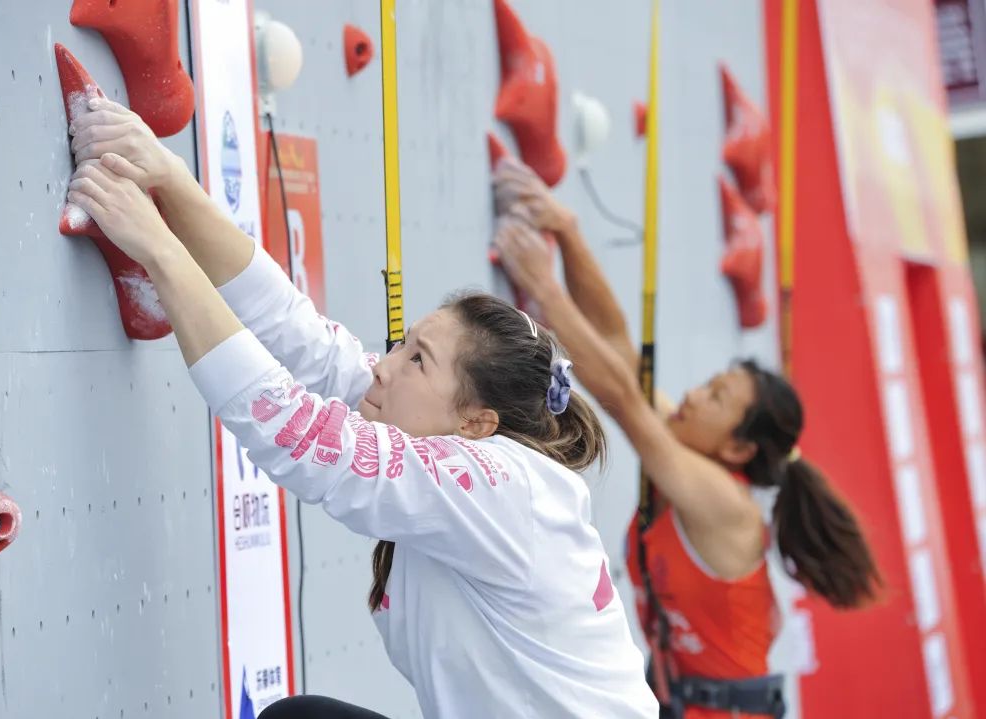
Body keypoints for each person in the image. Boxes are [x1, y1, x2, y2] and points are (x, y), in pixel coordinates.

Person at [64, 98, 658, 719]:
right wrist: (169, 178)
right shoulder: (431, 423)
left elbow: (296, 434)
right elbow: (302, 339)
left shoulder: (497, 486)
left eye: (418, 360)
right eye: (403, 346)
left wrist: (160, 251)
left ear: (477, 421)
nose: (384, 365)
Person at [491, 159, 882, 719]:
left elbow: (625, 399)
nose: (695, 396)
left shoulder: (723, 502)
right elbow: (621, 351)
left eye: (716, 399)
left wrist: (544, 290)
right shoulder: (686, 451)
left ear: (738, 449)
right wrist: (568, 232)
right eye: (711, 384)